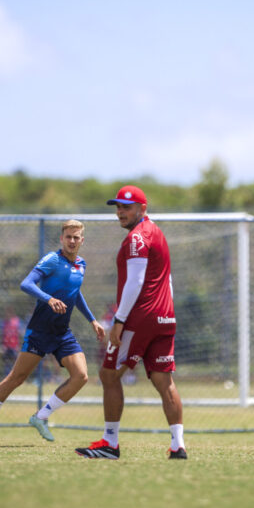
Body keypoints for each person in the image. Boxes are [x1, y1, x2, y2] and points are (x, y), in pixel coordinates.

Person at [76, 185, 187, 460]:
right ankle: (178, 445)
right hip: (164, 317)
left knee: (109, 374)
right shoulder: (157, 234)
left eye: (127, 207)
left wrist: (119, 319)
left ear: (143, 208)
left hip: (140, 317)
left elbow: (136, 282)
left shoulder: (138, 238)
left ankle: (110, 443)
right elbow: (167, 281)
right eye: (118, 207)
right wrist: (166, 315)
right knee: (163, 380)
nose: (120, 212)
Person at [0, 220, 106, 446]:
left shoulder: (81, 264)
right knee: (17, 378)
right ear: (61, 239)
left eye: (76, 237)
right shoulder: (52, 259)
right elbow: (26, 284)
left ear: (82, 240)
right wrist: (49, 299)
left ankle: (41, 416)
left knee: (81, 376)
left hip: (62, 332)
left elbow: (76, 293)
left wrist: (92, 320)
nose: (72, 241)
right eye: (68, 237)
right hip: (40, 330)